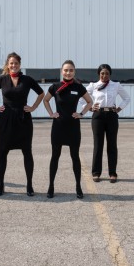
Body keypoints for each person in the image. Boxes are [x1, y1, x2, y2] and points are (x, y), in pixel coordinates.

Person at [0, 52, 45, 196]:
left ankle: (29, 185)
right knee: (2, 152)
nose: (14, 66)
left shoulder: (27, 79)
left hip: (23, 118)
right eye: (11, 63)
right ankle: (0, 185)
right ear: (8, 65)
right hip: (6, 119)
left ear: (20, 65)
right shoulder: (2, 79)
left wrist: (33, 107)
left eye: (16, 63)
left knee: (27, 151)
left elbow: (41, 93)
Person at [43, 60, 93, 198]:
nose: (68, 72)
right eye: (66, 70)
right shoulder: (55, 87)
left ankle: (78, 187)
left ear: (74, 72)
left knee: (75, 157)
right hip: (58, 127)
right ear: (61, 71)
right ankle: (51, 186)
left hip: (73, 127)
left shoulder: (78, 87)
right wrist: (51, 113)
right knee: (55, 157)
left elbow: (90, 102)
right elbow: (45, 100)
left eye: (71, 70)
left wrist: (81, 114)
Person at [85, 64, 130, 183]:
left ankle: (112, 173)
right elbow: (81, 97)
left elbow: (127, 98)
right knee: (98, 145)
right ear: (99, 74)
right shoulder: (93, 86)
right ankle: (96, 173)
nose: (104, 76)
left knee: (112, 145)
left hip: (111, 116)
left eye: (107, 73)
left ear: (110, 74)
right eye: (102, 73)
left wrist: (119, 109)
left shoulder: (116, 85)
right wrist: (89, 108)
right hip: (98, 116)